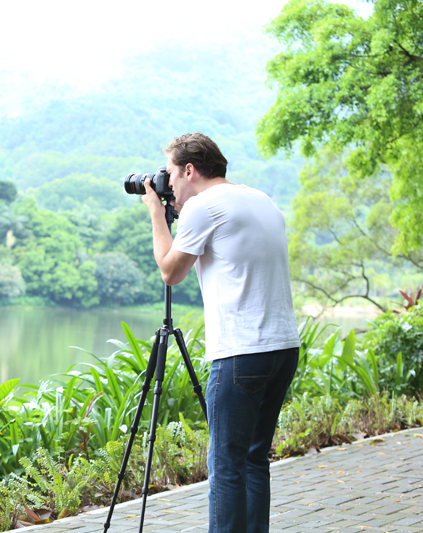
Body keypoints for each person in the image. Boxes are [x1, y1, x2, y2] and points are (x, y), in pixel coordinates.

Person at [141, 132, 300, 533]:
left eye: (173, 176)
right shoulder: (261, 200)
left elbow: (170, 272)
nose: (170, 186)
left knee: (226, 464)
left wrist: (158, 216)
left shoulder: (204, 207)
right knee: (253, 459)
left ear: (190, 170)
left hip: (240, 354)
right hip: (282, 348)